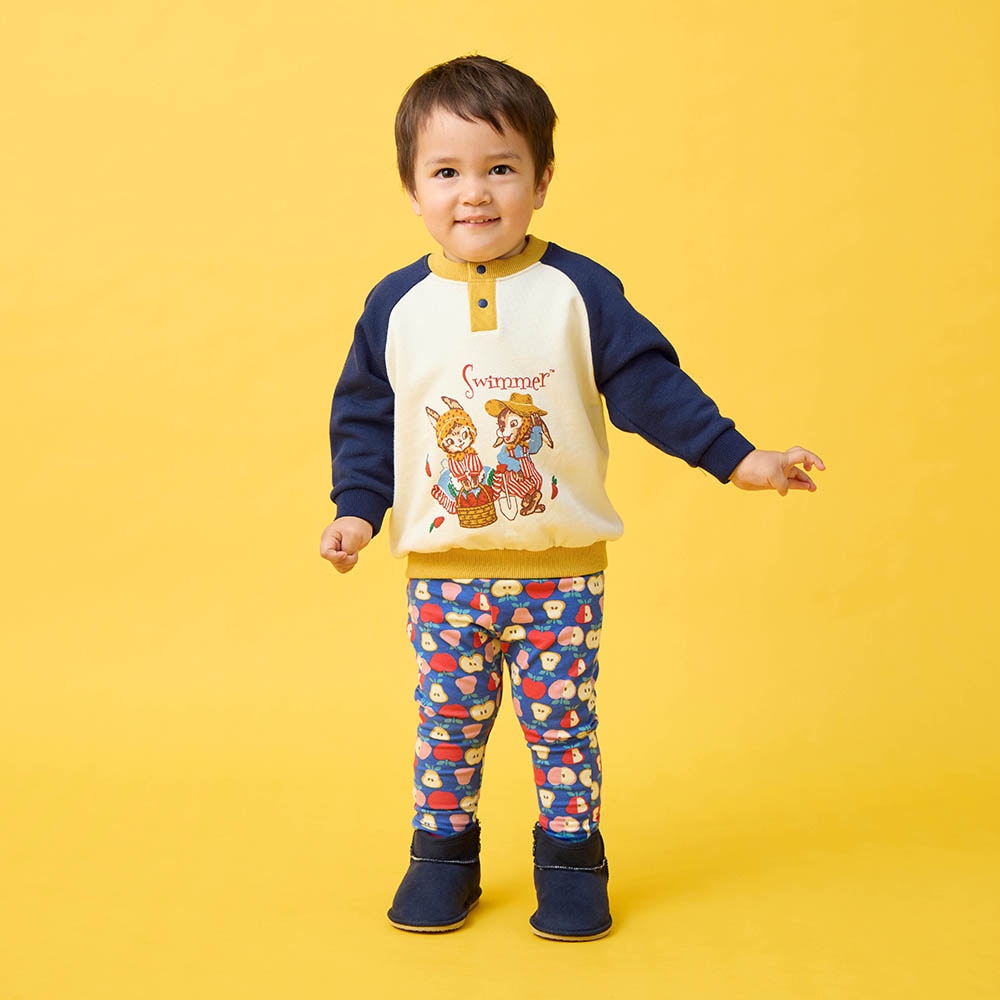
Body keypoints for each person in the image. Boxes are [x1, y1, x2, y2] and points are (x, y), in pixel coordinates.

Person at [320, 54, 824, 941]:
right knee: (446, 729)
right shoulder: (395, 305)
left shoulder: (577, 292)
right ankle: (443, 860)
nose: (474, 194)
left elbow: (651, 387)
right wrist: (356, 511)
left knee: (562, 731)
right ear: (412, 189)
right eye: (447, 173)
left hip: (559, 575)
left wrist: (740, 458)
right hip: (444, 577)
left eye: (500, 168)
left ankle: (571, 863)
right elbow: (366, 418)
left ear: (542, 180)